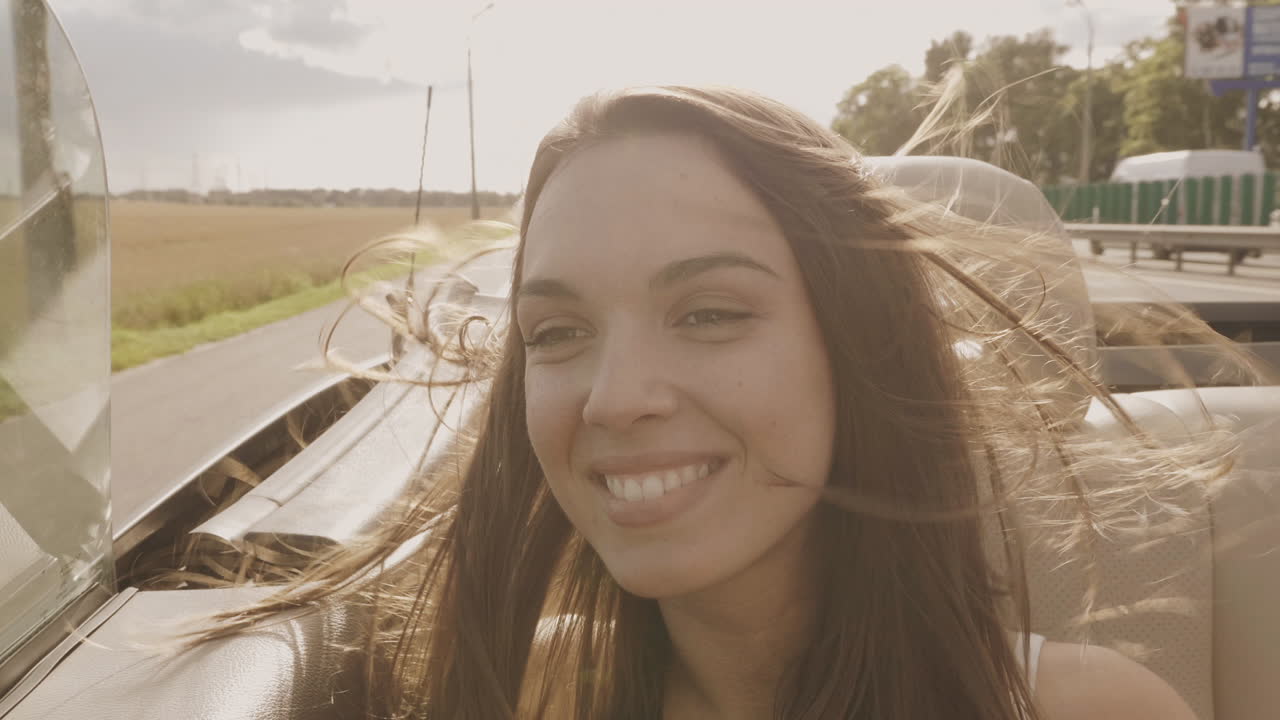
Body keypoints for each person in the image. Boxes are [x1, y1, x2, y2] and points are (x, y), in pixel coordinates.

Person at [198, 85, 1234, 719]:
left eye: (708, 312)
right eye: (556, 333)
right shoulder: (539, 692)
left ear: (856, 342)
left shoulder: (1075, 709)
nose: (614, 398)